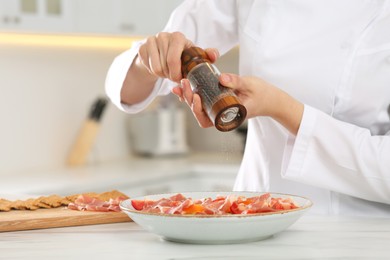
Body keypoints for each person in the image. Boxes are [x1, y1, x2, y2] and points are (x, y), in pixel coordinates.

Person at [105, 0, 390, 216]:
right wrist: (150, 61)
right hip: (253, 219)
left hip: (355, 229)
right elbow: (128, 82)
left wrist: (282, 108)